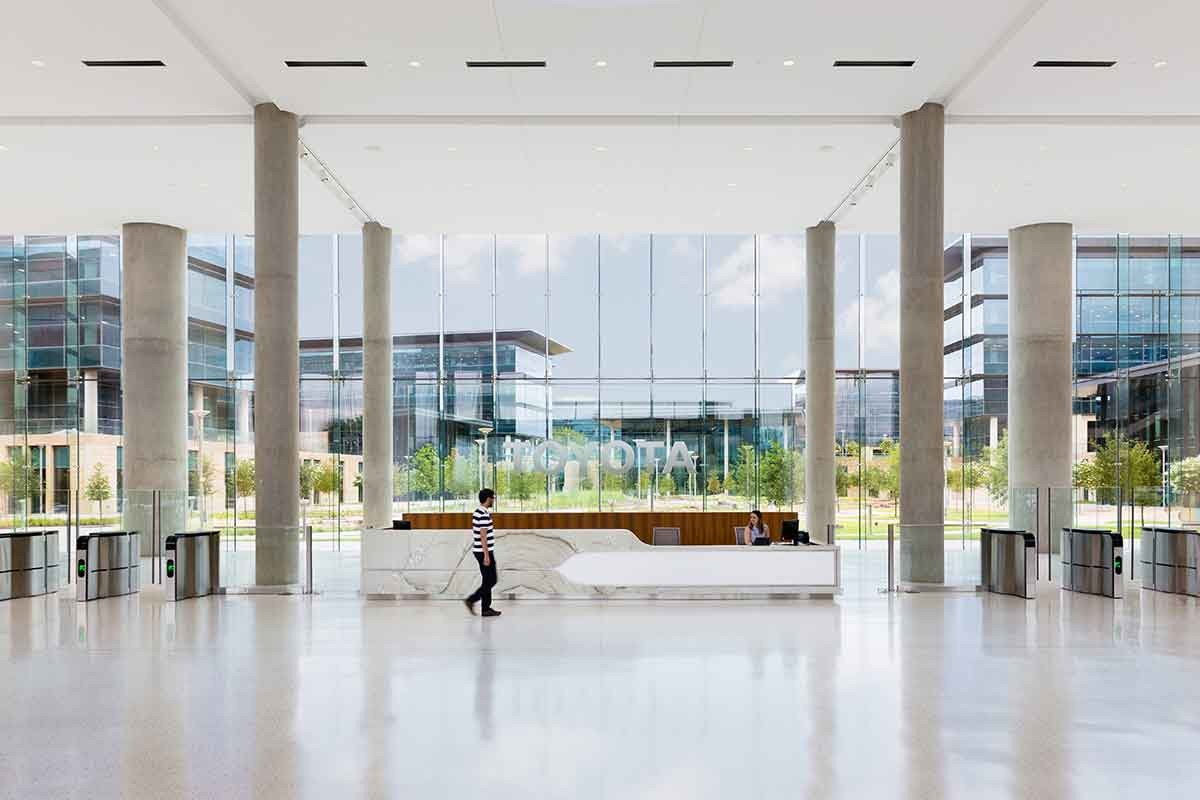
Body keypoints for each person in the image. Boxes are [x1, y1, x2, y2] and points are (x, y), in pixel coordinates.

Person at [464, 488, 501, 617]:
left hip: (480, 551)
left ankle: (486, 608)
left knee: (487, 580)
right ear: (488, 498)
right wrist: (486, 555)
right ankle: (472, 600)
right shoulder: (484, 514)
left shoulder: (478, 512)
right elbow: (483, 536)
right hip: (484, 552)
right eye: (493, 498)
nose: (493, 500)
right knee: (492, 580)